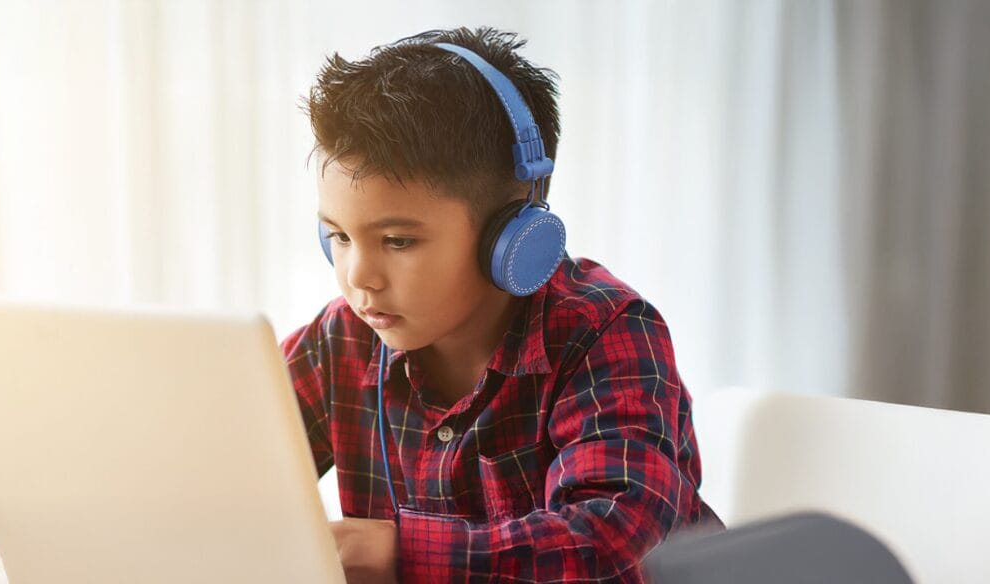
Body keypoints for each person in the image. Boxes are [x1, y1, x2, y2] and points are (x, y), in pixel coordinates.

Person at [281, 26, 720, 583]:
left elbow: (612, 534)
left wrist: (403, 553)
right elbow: (226, 450)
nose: (357, 276)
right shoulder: (341, 338)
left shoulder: (603, 333)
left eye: (398, 241)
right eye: (338, 237)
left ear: (514, 237)